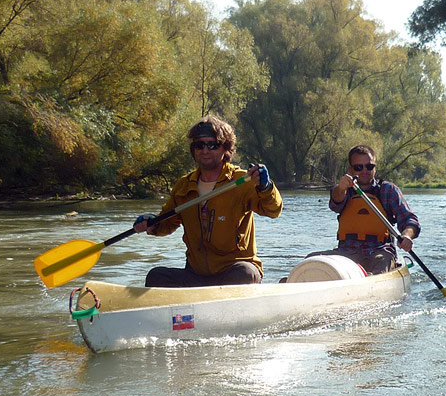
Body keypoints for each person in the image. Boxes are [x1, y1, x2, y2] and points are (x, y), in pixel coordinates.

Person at [133, 115, 282, 287]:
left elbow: (273, 210)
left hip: (234, 271)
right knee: (156, 276)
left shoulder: (242, 182)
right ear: (193, 149)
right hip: (196, 274)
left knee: (245, 273)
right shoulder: (183, 186)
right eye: (199, 145)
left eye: (212, 145)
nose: (205, 150)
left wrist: (265, 187)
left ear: (225, 148)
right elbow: (166, 224)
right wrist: (151, 224)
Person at [311, 144, 420, 274]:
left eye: (369, 166)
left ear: (375, 167)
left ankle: (372, 284)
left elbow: (410, 220)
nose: (364, 171)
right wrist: (341, 188)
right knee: (311, 260)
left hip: (380, 251)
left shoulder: (388, 190)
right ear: (350, 170)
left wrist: (407, 236)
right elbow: (336, 203)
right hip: (346, 252)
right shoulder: (343, 190)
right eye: (358, 167)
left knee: (381, 265)